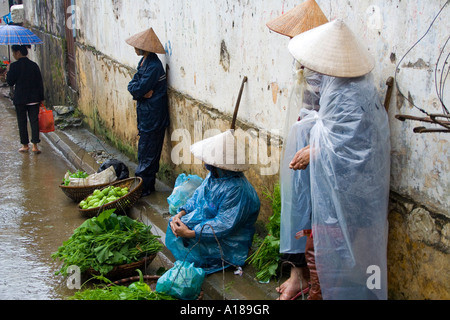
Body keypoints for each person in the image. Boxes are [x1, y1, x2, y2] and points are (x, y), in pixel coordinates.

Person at [282, 19, 391, 300]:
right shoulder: (338, 85)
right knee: (324, 254)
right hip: (337, 190)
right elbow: (330, 127)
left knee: (331, 258)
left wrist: (313, 150)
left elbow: (355, 145)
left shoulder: (350, 94)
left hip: (349, 194)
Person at [266, 0, 328, 300]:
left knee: (314, 214)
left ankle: (307, 279)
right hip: (304, 144)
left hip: (321, 154)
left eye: (296, 37)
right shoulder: (305, 64)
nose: (292, 43)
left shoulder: (331, 68)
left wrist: (313, 149)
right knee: (297, 208)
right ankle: (297, 274)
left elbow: (338, 124)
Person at [165, 130, 261, 274]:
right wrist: (180, 214)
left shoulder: (237, 190)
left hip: (230, 240)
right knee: (175, 227)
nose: (206, 165)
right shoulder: (214, 177)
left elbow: (223, 224)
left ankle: (211, 260)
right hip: (208, 222)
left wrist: (191, 233)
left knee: (186, 239)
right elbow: (197, 198)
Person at [126, 28, 169, 197]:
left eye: (137, 46)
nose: (135, 49)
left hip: (154, 117)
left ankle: (145, 186)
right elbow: (133, 86)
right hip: (146, 115)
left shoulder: (153, 66)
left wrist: (140, 91)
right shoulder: (144, 62)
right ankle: (143, 184)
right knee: (144, 151)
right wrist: (140, 92)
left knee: (149, 152)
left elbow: (139, 87)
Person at [6, 44, 44, 154]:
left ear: (18, 53)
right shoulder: (34, 65)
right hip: (34, 98)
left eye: (14, 53)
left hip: (20, 99)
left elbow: (10, 82)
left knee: (22, 122)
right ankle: (35, 146)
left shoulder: (14, 66)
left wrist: (9, 71)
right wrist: (41, 98)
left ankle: (25, 145)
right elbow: (39, 83)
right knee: (34, 121)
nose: (13, 55)